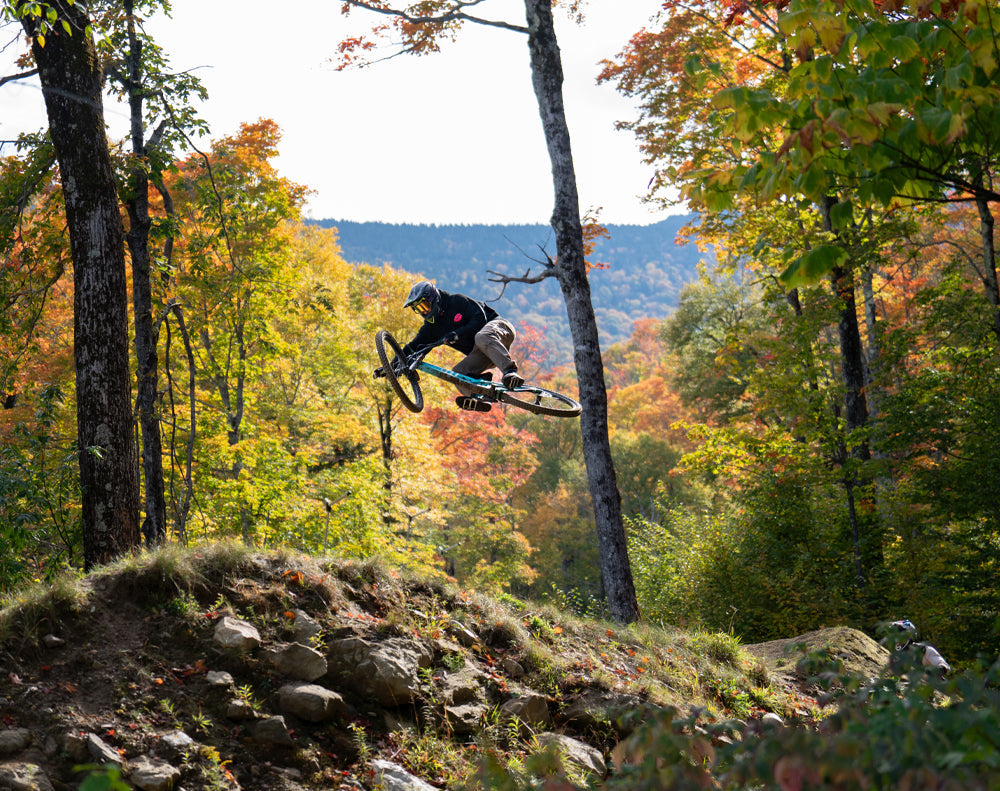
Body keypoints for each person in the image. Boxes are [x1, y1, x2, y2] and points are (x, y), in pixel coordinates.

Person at [376, 280, 523, 412]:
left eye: (424, 305)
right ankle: (481, 394)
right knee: (457, 374)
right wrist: (389, 367)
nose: (424, 311)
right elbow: (413, 347)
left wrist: (456, 333)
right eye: (419, 309)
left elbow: (479, 319)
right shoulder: (431, 328)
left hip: (499, 330)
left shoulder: (456, 301)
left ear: (433, 298)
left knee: (481, 336)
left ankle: (510, 371)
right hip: (485, 352)